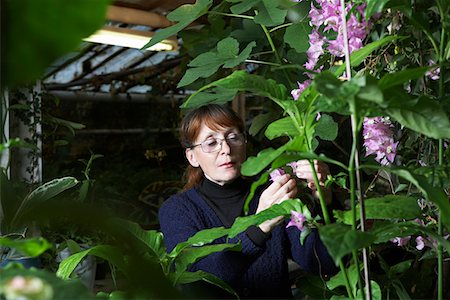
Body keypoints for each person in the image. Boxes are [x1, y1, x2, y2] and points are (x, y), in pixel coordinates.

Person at [158, 104, 337, 299]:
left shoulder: (272, 194)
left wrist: (323, 202)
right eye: (211, 143)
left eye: (233, 137)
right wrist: (260, 225)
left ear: (244, 144)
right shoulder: (177, 210)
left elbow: (323, 263)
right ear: (192, 157)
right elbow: (200, 278)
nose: (226, 149)